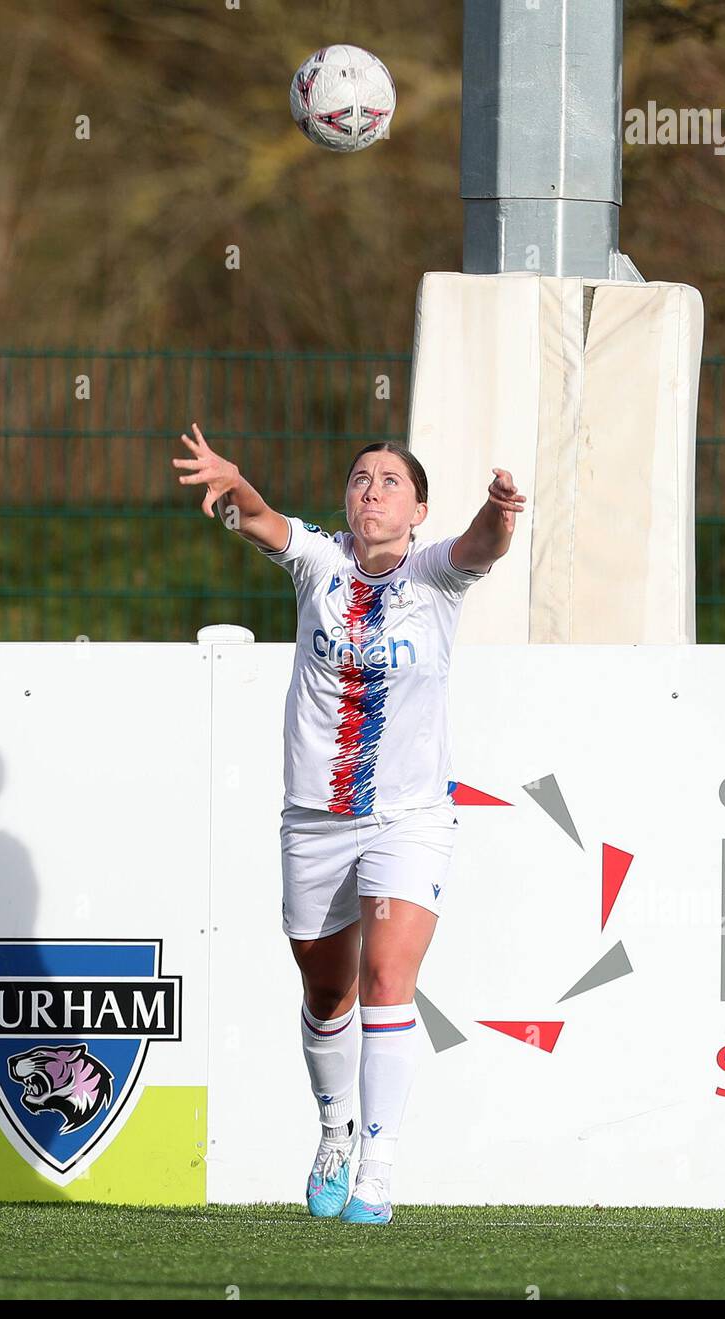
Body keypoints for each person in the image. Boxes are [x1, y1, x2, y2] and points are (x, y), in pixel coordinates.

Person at [173, 424, 524, 1224]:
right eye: (360, 477)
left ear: (418, 508)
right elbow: (260, 519)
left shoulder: (438, 573)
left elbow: (482, 544)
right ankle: (333, 1130)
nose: (372, 489)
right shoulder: (318, 562)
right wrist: (234, 485)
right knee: (326, 993)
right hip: (316, 821)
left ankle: (378, 1167)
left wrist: (501, 513)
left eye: (391, 481)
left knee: (388, 981)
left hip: (410, 819)